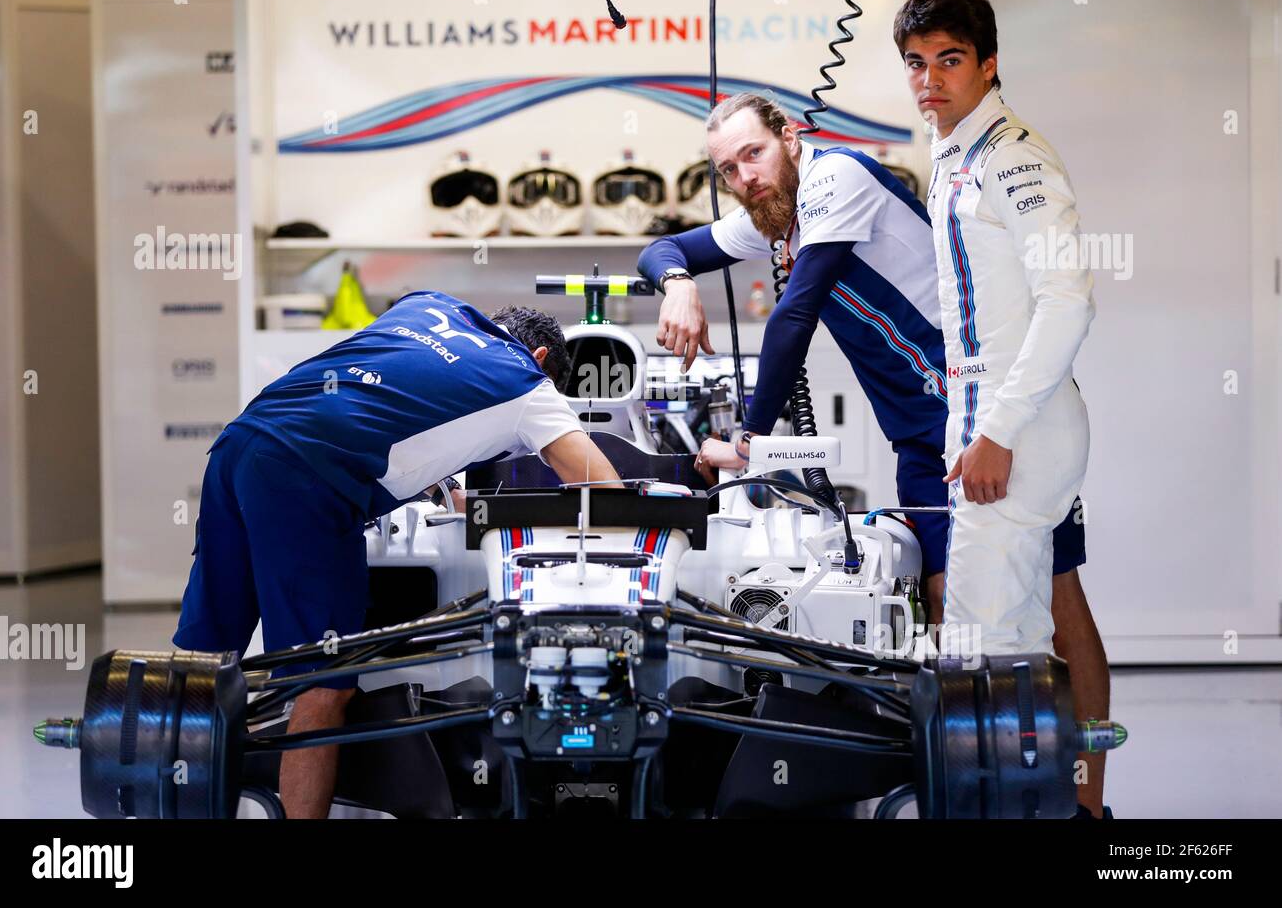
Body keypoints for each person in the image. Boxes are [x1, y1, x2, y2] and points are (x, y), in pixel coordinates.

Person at [635, 91, 1083, 645]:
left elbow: (792, 317)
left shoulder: (836, 177)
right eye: (728, 168)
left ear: (790, 139)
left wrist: (748, 443)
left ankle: (1083, 730)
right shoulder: (775, 216)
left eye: (754, 154)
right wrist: (678, 285)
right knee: (943, 594)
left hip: (977, 411)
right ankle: (978, 732)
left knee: (1053, 590)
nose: (744, 177)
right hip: (917, 434)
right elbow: (662, 249)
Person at [172, 291, 620, 817]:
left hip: (243, 441)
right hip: (310, 478)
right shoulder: (528, 382)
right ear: (542, 359)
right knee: (321, 686)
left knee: (205, 663)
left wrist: (440, 483)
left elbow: (386, 398)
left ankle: (176, 800)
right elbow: (600, 488)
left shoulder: (428, 304)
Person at [894, 0, 1110, 817]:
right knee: (1011, 657)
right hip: (988, 420)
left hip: (1020, 425)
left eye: (949, 60)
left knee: (979, 665)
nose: (930, 80)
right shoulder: (954, 153)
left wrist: (1000, 431)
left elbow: (1069, 300)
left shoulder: (1014, 156)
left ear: (988, 65)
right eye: (916, 64)